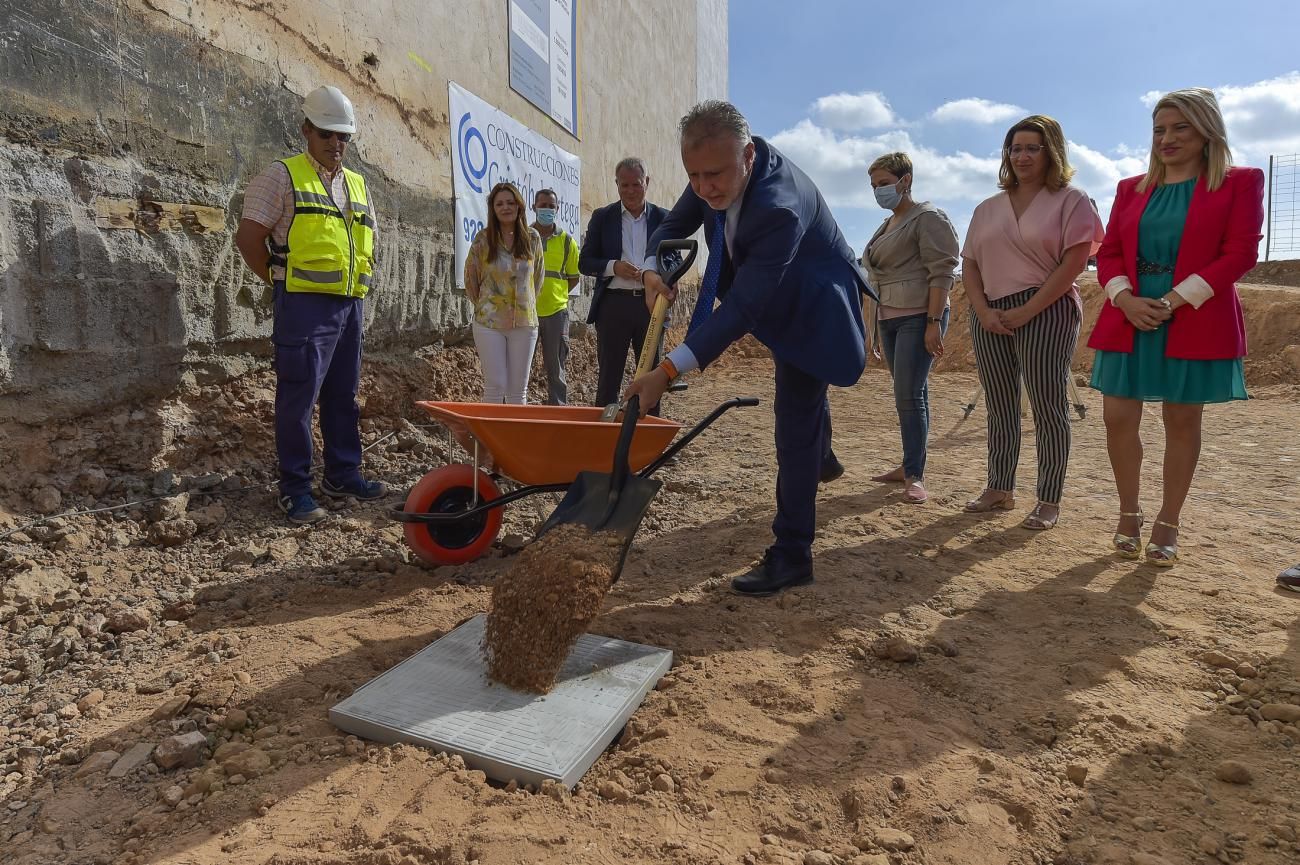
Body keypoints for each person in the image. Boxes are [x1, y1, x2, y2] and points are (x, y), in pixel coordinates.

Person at [626, 100, 871, 597]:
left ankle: (793, 554)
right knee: (805, 415)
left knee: (794, 422)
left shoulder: (778, 207)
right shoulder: (712, 172)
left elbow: (741, 310)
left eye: (713, 175)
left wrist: (666, 372)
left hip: (812, 311)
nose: (703, 187)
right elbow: (673, 225)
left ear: (749, 156)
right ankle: (822, 458)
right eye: (693, 175)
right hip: (773, 302)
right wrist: (653, 266)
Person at [1087, 88, 1263, 566]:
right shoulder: (1131, 188)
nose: (1167, 138)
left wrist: (1171, 300)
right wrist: (1125, 299)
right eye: (1160, 129)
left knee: (1182, 420)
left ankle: (1169, 520)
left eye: (1180, 127)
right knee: (1117, 417)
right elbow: (1109, 254)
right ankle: (1128, 513)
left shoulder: (1241, 181)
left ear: (1207, 131)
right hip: (1130, 315)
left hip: (1194, 315)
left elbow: (1240, 252)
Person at [234, 84, 386, 525]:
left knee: (344, 395)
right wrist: (280, 282)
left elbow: (368, 241)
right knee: (298, 398)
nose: (336, 144)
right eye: (326, 134)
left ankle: (343, 473)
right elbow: (248, 239)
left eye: (343, 137)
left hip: (348, 306)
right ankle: (295, 488)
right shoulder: (281, 176)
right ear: (306, 129)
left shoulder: (357, 184)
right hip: (303, 306)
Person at [960, 114, 1103, 530]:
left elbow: (1074, 261)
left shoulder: (1071, 200)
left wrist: (1029, 309)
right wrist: (983, 310)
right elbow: (969, 264)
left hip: (1048, 307)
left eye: (1032, 148)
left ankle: (1048, 499)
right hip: (989, 310)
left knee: (1048, 405)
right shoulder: (986, 208)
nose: (1021, 156)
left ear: (1051, 151)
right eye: (1015, 148)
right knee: (999, 402)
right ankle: (999, 487)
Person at [861, 151, 959, 504]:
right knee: (914, 392)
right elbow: (874, 279)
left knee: (908, 394)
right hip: (889, 317)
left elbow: (942, 271)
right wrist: (871, 328)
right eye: (874, 185)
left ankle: (915, 475)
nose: (878, 191)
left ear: (906, 181)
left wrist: (933, 322)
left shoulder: (928, 217)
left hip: (919, 315)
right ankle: (910, 465)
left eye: (884, 184)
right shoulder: (886, 225)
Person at [579, 158, 669, 409]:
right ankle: (605, 439)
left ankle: (648, 437)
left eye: (636, 184)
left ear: (647, 183)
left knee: (652, 376)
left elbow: (673, 261)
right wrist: (613, 266)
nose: (630, 191)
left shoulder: (664, 219)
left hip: (651, 307)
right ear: (616, 184)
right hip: (613, 306)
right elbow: (585, 262)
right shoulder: (602, 217)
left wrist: (658, 277)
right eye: (624, 185)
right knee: (609, 378)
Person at [464, 182, 544, 404]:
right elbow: (471, 279)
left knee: (519, 390)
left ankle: (516, 438)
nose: (505, 207)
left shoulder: (533, 238)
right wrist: (488, 305)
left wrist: (522, 304)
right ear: (493, 209)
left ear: (519, 206)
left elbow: (537, 279)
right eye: (499, 203)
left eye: (510, 202)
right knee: (495, 386)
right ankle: (491, 439)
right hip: (489, 324)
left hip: (524, 323)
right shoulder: (482, 239)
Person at [531, 188, 581, 405]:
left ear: (557, 209)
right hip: (526, 313)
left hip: (556, 313)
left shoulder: (567, 242)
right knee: (519, 367)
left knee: (556, 367)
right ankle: (515, 409)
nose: (546, 209)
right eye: (542, 205)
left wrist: (556, 295)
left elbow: (573, 277)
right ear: (534, 207)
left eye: (551, 206)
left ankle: (558, 409)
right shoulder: (524, 236)